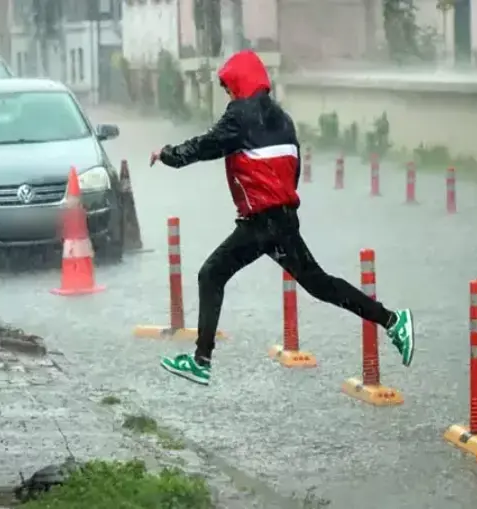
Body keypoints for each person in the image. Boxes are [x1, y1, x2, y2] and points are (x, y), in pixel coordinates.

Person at [149, 49, 415, 386]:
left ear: (240, 84)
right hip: (282, 219)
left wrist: (168, 155)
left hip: (262, 222)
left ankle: (201, 360)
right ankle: (392, 320)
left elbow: (207, 146)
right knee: (322, 285)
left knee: (211, 274)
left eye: (229, 88)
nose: (228, 95)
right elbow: (294, 169)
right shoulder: (283, 119)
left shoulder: (241, 115)